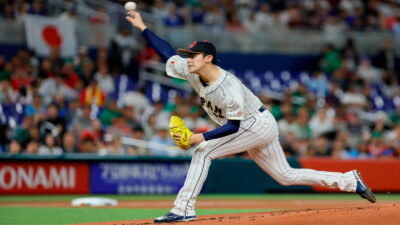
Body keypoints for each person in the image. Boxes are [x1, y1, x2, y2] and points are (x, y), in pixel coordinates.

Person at [125, 10, 376, 223]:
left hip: (253, 124)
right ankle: (349, 181)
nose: (188, 60)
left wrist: (199, 137)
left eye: (193, 56)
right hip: (252, 124)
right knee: (286, 176)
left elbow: (233, 127)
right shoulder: (191, 69)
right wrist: (143, 27)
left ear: (208, 58)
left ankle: (182, 210)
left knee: (203, 151)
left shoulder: (228, 87)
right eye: (188, 56)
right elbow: (166, 52)